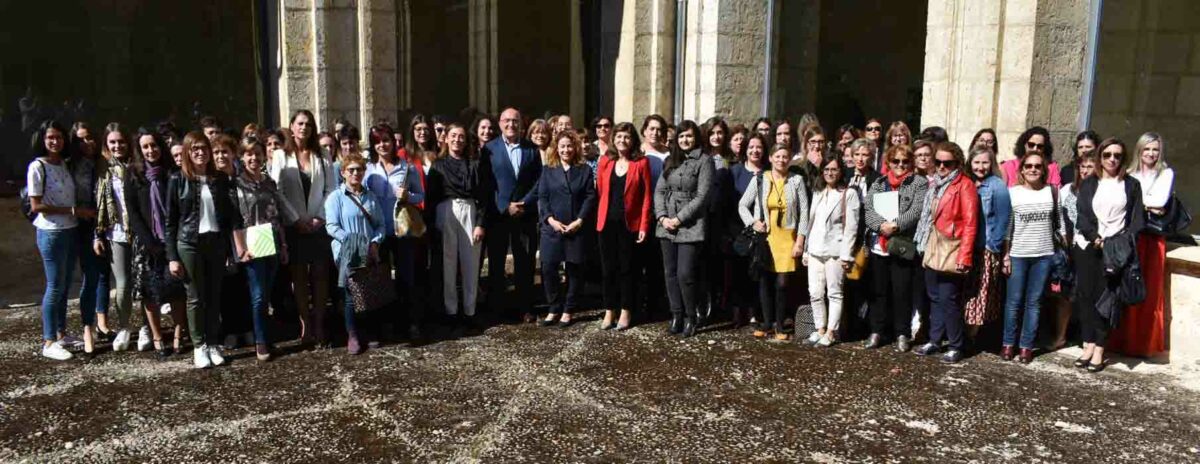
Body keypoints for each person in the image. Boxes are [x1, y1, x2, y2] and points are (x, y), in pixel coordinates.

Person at [167, 132, 246, 369]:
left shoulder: (219, 178)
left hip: (216, 242)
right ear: (188, 153)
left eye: (204, 148)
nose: (200, 152)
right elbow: (170, 221)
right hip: (189, 243)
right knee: (195, 296)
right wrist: (172, 257)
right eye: (195, 149)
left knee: (214, 295)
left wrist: (236, 249)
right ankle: (199, 345)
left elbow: (232, 216)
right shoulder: (177, 179)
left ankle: (213, 343)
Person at [1073, 138, 1143, 372]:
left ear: (1123, 159)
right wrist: (1094, 237)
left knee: (1105, 301)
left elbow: (1136, 221)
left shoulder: (1131, 185)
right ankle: (1088, 344)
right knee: (1085, 297)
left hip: (1114, 251)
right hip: (1089, 247)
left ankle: (1100, 349)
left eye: (1117, 155)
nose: (1112, 159)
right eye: (1107, 155)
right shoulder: (1090, 183)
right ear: (1100, 157)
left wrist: (1119, 243)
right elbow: (1082, 215)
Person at [269, 110, 336, 347]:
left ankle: (319, 324)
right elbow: (276, 191)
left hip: (318, 225)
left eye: (308, 124)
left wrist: (320, 218)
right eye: (300, 123)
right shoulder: (280, 155)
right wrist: (296, 219)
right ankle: (305, 324)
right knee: (298, 278)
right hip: (294, 225)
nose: (304, 128)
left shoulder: (323, 154)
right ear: (291, 126)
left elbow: (331, 189)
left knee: (320, 276)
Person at [29, 120, 94, 360]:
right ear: (42, 140)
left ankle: (61, 334)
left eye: (58, 137)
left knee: (66, 284)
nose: (55, 142)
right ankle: (48, 342)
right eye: (50, 138)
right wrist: (74, 210)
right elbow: (37, 206)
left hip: (70, 230)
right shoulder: (38, 167)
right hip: (51, 232)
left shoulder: (64, 164)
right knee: (54, 286)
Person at [912, 142, 978, 363]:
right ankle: (934, 340)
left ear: (957, 163)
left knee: (949, 298)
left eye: (946, 163)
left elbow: (970, 223)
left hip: (952, 246)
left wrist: (965, 255)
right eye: (937, 162)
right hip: (932, 244)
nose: (941, 166)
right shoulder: (935, 185)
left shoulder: (964, 185)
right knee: (933, 296)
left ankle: (957, 344)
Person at [1000, 146, 1067, 363]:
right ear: (1022, 169)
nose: (1033, 169)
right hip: (1018, 254)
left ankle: (1026, 347)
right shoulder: (1013, 192)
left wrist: (1066, 245)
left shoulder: (1051, 192)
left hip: (1044, 255)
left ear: (1044, 169)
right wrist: (1006, 255)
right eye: (1028, 166)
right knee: (1013, 302)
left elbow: (1059, 223)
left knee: (1035, 302)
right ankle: (1008, 344)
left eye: (1038, 166)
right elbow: (1008, 226)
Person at [233, 138, 298, 361]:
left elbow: (277, 214)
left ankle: (267, 337)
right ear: (242, 157)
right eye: (249, 154)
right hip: (251, 243)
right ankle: (260, 342)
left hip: (271, 240)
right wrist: (240, 248)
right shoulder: (237, 184)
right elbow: (236, 219)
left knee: (268, 293)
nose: (254, 158)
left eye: (258, 153)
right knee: (258, 295)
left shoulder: (269, 182)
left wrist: (283, 244)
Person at [1109, 132, 1172, 357]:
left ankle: (1142, 344)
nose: (1151, 153)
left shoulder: (1165, 173)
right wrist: (1146, 206)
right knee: (1124, 285)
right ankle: (1120, 341)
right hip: (1131, 237)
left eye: (1155, 149)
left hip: (1152, 239)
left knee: (1148, 289)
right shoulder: (1129, 173)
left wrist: (1141, 204)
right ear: (1139, 150)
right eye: (1147, 149)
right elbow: (1123, 203)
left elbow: (1159, 201)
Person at [862, 145, 928, 351]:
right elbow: (868, 208)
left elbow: (917, 210)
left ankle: (902, 333)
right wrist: (881, 225)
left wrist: (896, 225)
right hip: (879, 246)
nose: (900, 165)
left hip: (902, 245)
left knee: (902, 292)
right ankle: (876, 331)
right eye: (896, 161)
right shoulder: (879, 183)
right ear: (888, 162)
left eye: (905, 161)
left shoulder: (919, 183)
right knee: (878, 291)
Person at [126, 128, 185, 358]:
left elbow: (180, 208)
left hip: (172, 241)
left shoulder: (172, 172)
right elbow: (133, 213)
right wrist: (150, 242)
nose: (151, 150)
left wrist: (171, 241)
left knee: (177, 289)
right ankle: (158, 337)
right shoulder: (133, 175)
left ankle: (180, 334)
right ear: (140, 151)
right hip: (147, 244)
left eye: (154, 145)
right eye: (145, 147)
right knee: (150, 293)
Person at [364, 123, 426, 341]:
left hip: (402, 230)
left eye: (386, 140)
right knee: (378, 281)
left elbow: (421, 196)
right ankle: (381, 328)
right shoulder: (369, 170)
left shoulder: (406, 167)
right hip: (377, 232)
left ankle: (410, 324)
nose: (382, 145)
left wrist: (408, 196)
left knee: (406, 279)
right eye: (377, 141)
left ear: (393, 141)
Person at [654, 120, 714, 338]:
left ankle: (691, 316)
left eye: (688, 136)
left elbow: (702, 196)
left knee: (685, 273)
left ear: (696, 137)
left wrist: (678, 219)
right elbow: (659, 191)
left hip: (691, 224)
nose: (685, 140)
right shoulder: (672, 160)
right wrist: (661, 217)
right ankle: (676, 315)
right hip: (666, 225)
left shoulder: (705, 161)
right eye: (681, 136)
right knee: (669, 273)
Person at [426, 124, 489, 328]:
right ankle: (450, 311)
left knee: (471, 262)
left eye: (461, 136)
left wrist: (480, 223)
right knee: (448, 263)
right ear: (446, 139)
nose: (457, 140)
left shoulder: (473, 164)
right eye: (453, 136)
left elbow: (483, 197)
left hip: (469, 210)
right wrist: (432, 225)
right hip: (446, 211)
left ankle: (470, 310)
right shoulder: (438, 166)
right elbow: (431, 198)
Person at [483, 107, 542, 323]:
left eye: (515, 121)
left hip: (525, 215)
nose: (511, 125)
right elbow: (487, 183)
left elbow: (539, 181)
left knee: (525, 263)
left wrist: (524, 203)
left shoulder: (532, 150)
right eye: (507, 121)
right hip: (499, 216)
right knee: (497, 263)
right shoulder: (489, 149)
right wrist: (505, 206)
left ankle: (525, 307)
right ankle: (498, 308)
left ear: (521, 124)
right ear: (499, 124)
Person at [324, 153, 385, 355]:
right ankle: (353, 335)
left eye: (359, 169)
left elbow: (380, 225)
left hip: (368, 250)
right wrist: (353, 242)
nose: (355, 173)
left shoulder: (371, 197)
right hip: (347, 251)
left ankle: (370, 331)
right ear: (343, 173)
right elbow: (331, 226)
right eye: (351, 169)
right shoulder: (335, 198)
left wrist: (375, 242)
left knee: (369, 291)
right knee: (351, 294)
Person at [536, 131, 597, 327]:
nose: (566, 150)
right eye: (562, 146)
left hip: (576, 227)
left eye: (569, 146)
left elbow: (590, 197)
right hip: (552, 227)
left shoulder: (585, 170)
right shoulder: (548, 170)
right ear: (556, 148)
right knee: (548, 268)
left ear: (575, 148)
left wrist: (580, 220)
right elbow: (542, 197)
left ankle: (569, 309)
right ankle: (554, 307)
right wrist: (550, 219)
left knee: (575, 269)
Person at [595, 122, 652, 331]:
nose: (622, 140)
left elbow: (647, 197)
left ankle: (627, 310)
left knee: (628, 270)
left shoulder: (641, 163)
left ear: (633, 140)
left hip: (631, 225)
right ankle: (610, 310)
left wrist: (644, 225)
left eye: (627, 137)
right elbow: (600, 191)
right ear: (613, 139)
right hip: (606, 223)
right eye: (619, 136)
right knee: (608, 270)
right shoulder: (605, 161)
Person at [93, 123, 141, 352]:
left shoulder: (138, 166)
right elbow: (99, 205)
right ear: (106, 144)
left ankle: (146, 327)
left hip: (141, 233)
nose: (117, 146)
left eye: (121, 141)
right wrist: (98, 235)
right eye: (112, 142)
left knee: (144, 283)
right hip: (117, 233)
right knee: (122, 283)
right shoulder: (103, 170)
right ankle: (124, 327)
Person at [800, 153, 856, 346]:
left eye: (834, 169)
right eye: (826, 169)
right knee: (815, 292)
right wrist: (806, 249)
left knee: (834, 292)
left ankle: (832, 331)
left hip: (835, 251)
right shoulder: (818, 192)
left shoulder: (849, 194)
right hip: (815, 249)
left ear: (841, 171)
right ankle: (820, 328)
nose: (830, 173)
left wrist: (846, 255)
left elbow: (851, 227)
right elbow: (811, 223)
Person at [69, 121, 111, 345]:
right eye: (81, 139)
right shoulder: (71, 166)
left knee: (105, 274)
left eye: (90, 137)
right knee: (91, 275)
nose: (87, 143)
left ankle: (103, 321)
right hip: (83, 225)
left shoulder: (103, 163)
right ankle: (88, 326)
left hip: (105, 223)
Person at [963, 146, 1011, 342]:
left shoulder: (997, 186)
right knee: (965, 293)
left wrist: (994, 247)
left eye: (985, 162)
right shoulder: (966, 182)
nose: (981, 167)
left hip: (985, 248)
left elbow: (1003, 220)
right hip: (966, 247)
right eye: (977, 162)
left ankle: (971, 337)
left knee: (978, 295)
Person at [728, 133, 768, 327]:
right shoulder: (735, 171)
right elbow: (728, 202)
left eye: (759, 147)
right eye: (751, 147)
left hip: (762, 231)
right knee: (738, 273)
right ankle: (737, 312)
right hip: (738, 230)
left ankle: (753, 312)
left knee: (756, 273)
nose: (755, 150)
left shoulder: (768, 172)